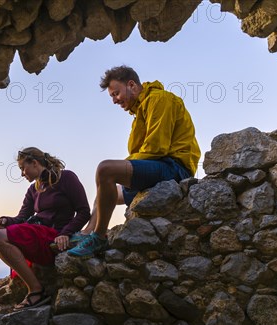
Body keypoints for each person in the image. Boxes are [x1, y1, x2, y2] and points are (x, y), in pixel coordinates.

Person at [68, 65, 201, 258]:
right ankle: (87, 233)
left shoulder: (160, 99)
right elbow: (138, 150)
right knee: (104, 192)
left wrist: (122, 167)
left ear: (131, 85)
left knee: (105, 169)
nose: (115, 101)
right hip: (158, 166)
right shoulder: (140, 112)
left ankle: (98, 237)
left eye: (116, 94)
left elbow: (157, 148)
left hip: (175, 168)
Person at [0, 147, 90, 310]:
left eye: (22, 168)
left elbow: (84, 211)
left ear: (34, 163)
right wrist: (6, 220)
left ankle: (36, 290)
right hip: (35, 232)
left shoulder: (66, 177)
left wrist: (65, 234)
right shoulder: (33, 189)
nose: (22, 174)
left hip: (53, 235)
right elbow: (21, 218)